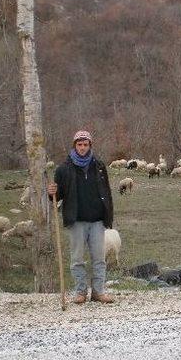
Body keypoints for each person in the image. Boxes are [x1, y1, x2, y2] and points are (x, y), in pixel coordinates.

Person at [47, 130, 114, 304]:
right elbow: (57, 196)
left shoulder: (99, 166)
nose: (82, 148)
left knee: (99, 258)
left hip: (97, 220)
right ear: (74, 146)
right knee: (77, 259)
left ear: (90, 145)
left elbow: (107, 192)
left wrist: (108, 215)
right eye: (79, 144)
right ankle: (80, 292)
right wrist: (51, 193)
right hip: (76, 220)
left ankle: (98, 292)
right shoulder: (63, 169)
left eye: (85, 144)